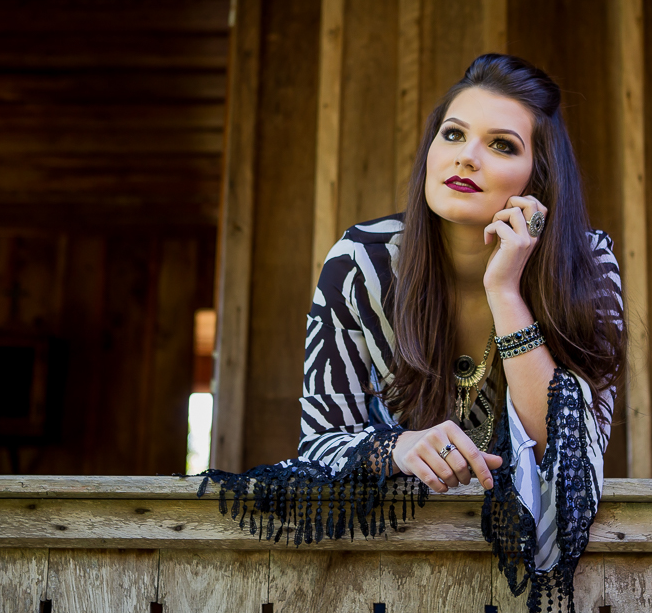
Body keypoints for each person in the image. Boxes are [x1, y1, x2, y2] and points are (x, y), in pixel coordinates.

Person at [198, 54, 625, 613]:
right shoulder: (362, 264)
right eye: (453, 134)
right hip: (384, 573)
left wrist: (506, 291)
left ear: (537, 179)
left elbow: (571, 462)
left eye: (501, 145)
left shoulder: (588, 264)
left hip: (534, 584)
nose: (466, 156)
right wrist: (398, 447)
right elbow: (320, 442)